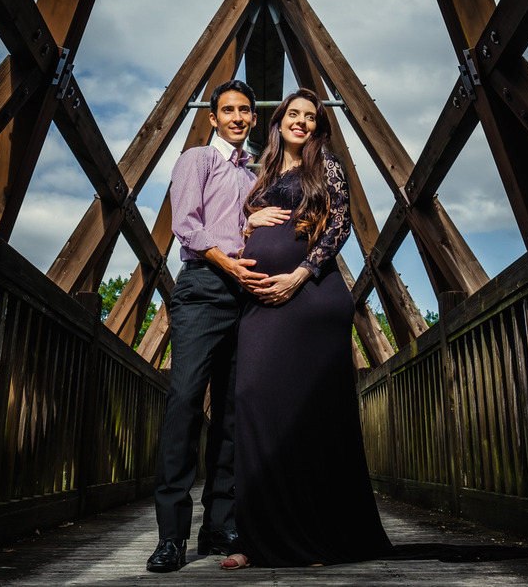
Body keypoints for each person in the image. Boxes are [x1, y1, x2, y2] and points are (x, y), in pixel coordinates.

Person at [225, 88, 392, 569]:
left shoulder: (327, 165)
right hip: (259, 301)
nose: (301, 122)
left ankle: (314, 538)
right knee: (254, 401)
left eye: (310, 118)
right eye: (293, 115)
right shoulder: (258, 170)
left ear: (318, 126)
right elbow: (229, 226)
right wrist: (246, 218)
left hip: (312, 299)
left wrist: (299, 274)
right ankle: (255, 539)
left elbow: (340, 223)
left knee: (311, 418)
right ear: (278, 121)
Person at [146, 79, 267, 573]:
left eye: (245, 110)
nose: (237, 117)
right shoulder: (199, 158)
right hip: (203, 288)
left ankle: (219, 526)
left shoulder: (255, 175)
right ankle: (171, 537)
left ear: (254, 119)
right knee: (185, 404)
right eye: (228, 110)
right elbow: (187, 225)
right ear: (212, 117)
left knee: (233, 416)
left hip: (247, 294)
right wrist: (228, 262)